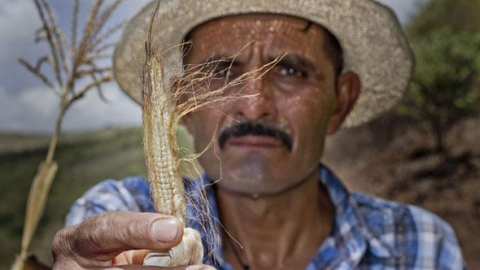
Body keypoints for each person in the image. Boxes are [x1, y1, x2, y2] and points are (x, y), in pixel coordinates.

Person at [51, 0, 466, 269]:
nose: (253, 104)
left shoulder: (419, 246)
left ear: (341, 101)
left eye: (291, 71)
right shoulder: (120, 215)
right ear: (180, 106)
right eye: (220, 72)